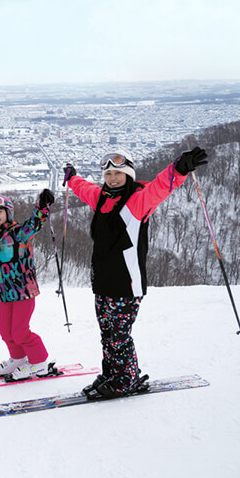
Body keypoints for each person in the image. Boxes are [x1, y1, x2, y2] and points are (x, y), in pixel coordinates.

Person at [64, 146, 208, 399]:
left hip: (127, 284)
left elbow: (161, 187)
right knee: (107, 335)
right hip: (103, 282)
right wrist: (72, 177)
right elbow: (84, 188)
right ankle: (113, 374)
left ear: (129, 174)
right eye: (108, 174)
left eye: (118, 173)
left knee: (119, 337)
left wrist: (179, 169)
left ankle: (125, 381)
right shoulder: (101, 198)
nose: (113, 178)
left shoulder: (138, 201)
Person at [0, 189, 55, 381]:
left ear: (8, 213)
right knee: (5, 331)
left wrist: (42, 207)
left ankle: (39, 363)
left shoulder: (19, 233)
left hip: (23, 291)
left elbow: (35, 223)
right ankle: (18, 359)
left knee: (20, 331)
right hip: (3, 293)